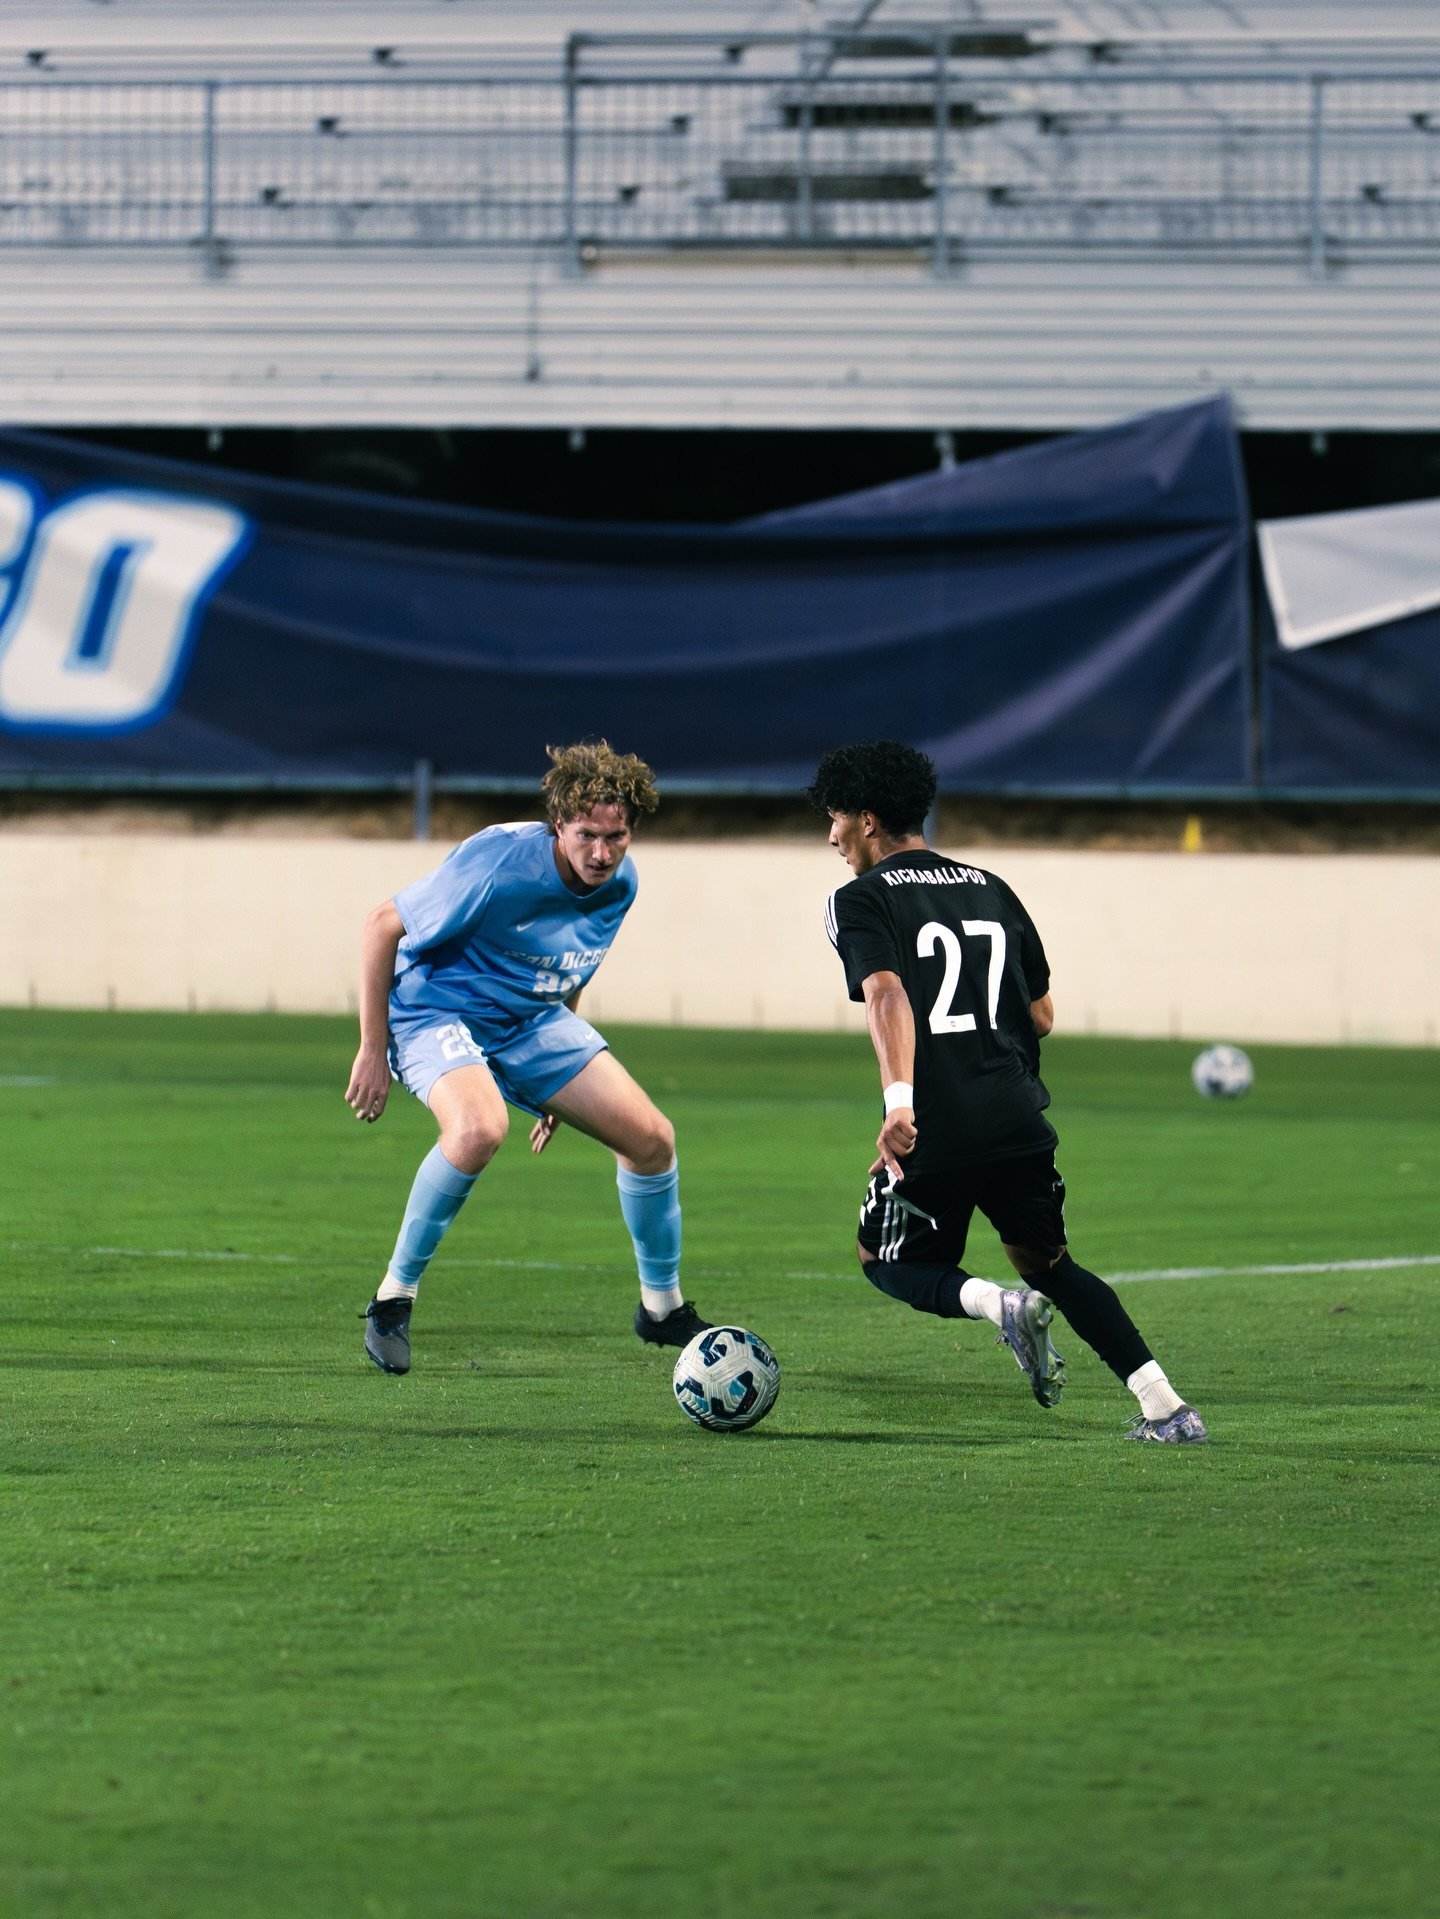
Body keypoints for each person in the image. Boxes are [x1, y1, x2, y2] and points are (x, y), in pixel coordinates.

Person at [808, 739, 1207, 1444]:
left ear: (867, 820)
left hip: (937, 1122)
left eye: (836, 817)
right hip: (1019, 1114)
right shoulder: (991, 886)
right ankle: (1167, 1408)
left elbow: (886, 994)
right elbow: (1042, 1014)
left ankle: (1001, 1307)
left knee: (888, 1260)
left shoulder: (858, 900)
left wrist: (900, 1103)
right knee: (1052, 1262)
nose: (831, 835)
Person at [344, 740, 711, 1375]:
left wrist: (559, 1077)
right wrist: (373, 1047)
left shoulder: (619, 883)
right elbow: (381, 924)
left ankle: (662, 1309)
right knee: (480, 1127)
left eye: (616, 837)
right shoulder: (498, 865)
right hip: (436, 1009)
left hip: (533, 1019)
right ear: (558, 825)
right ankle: (391, 1300)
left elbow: (570, 965)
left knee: (652, 1140)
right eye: (586, 835)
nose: (601, 853)